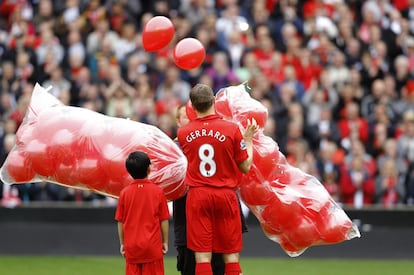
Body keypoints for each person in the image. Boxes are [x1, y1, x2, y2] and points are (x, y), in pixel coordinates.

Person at [177, 84, 258, 275]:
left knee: (202, 257)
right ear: (214, 101)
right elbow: (245, 167)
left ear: (193, 107)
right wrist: (248, 141)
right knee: (230, 255)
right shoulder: (231, 129)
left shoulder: (183, 133)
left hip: (198, 195)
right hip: (225, 195)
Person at [115, 151, 170, 275]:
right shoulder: (158, 192)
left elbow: (120, 221)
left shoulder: (124, 193)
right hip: (152, 248)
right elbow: (164, 220)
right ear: (149, 169)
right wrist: (165, 241)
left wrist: (123, 243)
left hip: (132, 248)